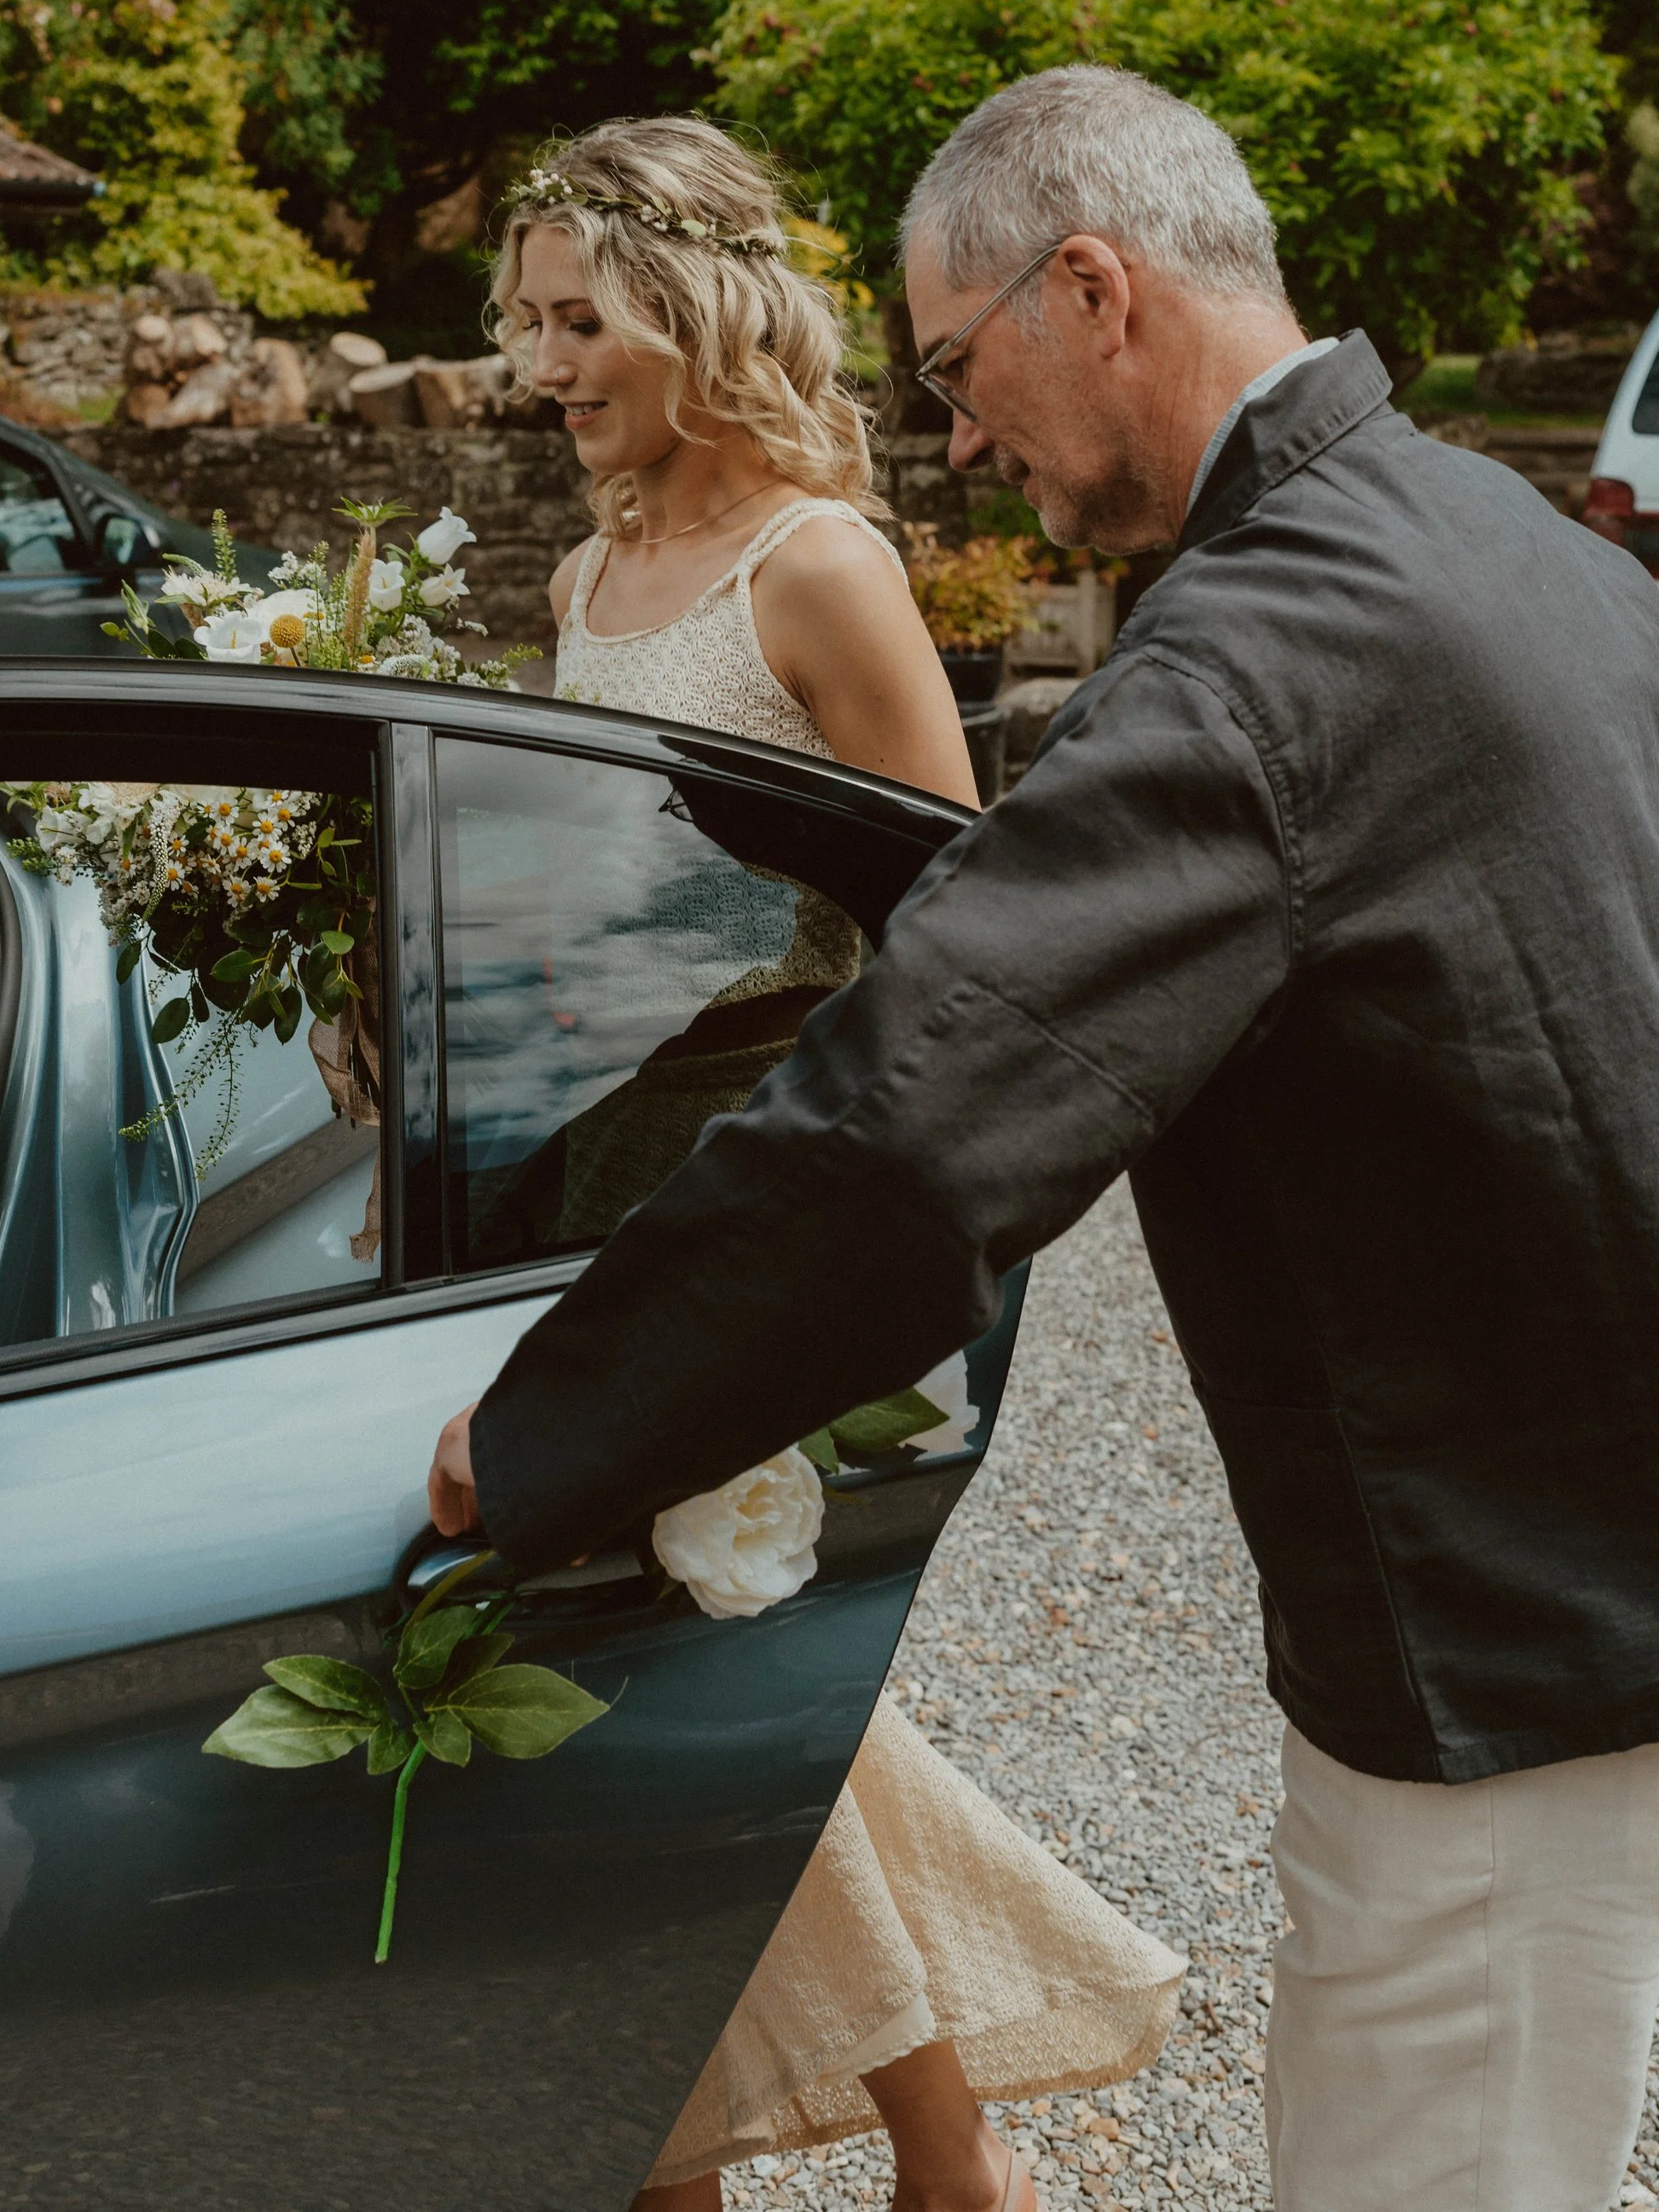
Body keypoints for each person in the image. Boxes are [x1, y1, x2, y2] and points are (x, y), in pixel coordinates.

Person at [433, 63, 1659, 2212]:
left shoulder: (1255, 662)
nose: (957, 437)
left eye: (956, 365)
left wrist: (537, 1442)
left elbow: (920, 1118)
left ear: (1087, 287)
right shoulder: (1514, 546)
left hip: (1500, 1617)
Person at [454, 117, 1185, 2212]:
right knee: (671, 1675)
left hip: (750, 1209)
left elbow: (951, 935)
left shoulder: (820, 565)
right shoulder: (589, 574)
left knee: (697, 1668)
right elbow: (578, 898)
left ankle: (866, 2165)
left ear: (696, 311)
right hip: (573, 1189)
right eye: (522, 323)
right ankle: (851, 2167)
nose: (540, 362)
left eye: (578, 318)